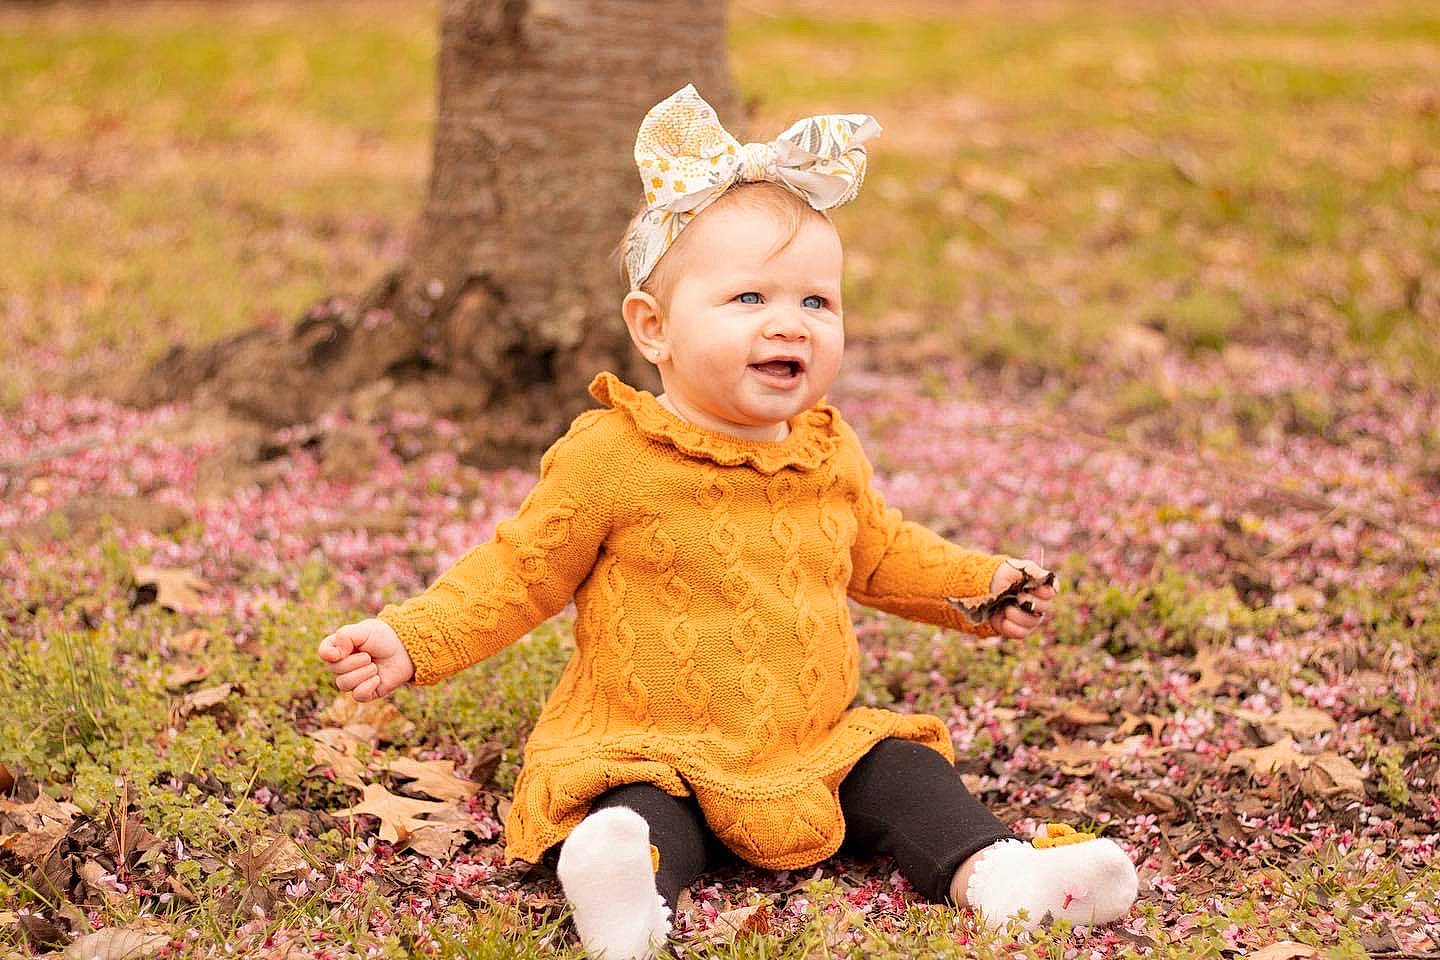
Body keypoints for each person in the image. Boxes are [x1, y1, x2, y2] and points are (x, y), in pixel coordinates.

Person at [318, 85, 1138, 959]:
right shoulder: (611, 455)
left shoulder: (827, 449)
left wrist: (977, 585)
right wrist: (415, 637)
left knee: (907, 772)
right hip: (652, 738)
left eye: (816, 303)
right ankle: (623, 894)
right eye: (748, 298)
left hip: (809, 741)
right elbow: (520, 570)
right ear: (654, 328)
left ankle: (1003, 876)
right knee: (638, 812)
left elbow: (882, 551)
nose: (789, 322)